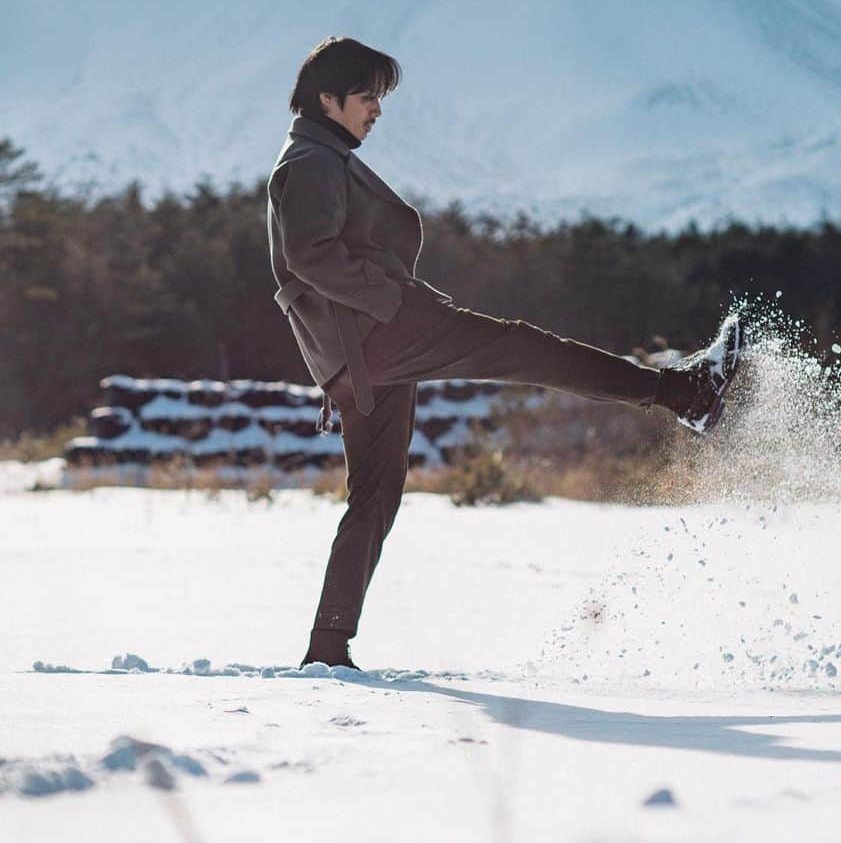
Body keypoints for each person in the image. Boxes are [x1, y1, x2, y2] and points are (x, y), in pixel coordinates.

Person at [267, 36, 741, 669]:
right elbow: (310, 256)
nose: (376, 110)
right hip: (380, 335)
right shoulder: (311, 163)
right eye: (366, 97)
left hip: (361, 353)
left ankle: (328, 647)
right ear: (328, 99)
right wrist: (391, 302)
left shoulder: (316, 154)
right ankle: (686, 393)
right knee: (525, 349)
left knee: (375, 494)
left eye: (380, 97)